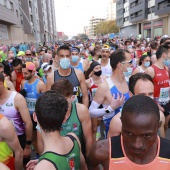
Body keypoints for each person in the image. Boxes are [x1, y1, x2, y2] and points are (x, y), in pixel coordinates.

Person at [87, 95, 170, 170]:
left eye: (147, 135)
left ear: (158, 126)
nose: (137, 145)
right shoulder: (101, 151)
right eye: (129, 134)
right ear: (122, 123)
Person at [26, 91, 87, 170]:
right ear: (64, 118)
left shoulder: (43, 167)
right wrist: (43, 162)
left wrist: (44, 164)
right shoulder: (73, 138)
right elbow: (83, 167)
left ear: (34, 117)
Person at [36, 79, 92, 158]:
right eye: (55, 98)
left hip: (77, 155)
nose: (58, 102)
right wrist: (45, 159)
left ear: (72, 98)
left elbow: (88, 138)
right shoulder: (47, 111)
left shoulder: (81, 111)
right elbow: (40, 140)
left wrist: (88, 158)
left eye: (63, 99)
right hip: (55, 157)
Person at [108, 73, 165, 138]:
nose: (147, 98)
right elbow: (111, 147)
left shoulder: (160, 116)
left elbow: (161, 143)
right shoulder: (118, 122)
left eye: (150, 94)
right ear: (131, 94)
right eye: (142, 95)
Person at [89, 49, 132, 135]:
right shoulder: (105, 86)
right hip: (112, 135)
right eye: (129, 62)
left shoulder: (128, 81)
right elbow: (91, 112)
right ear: (120, 65)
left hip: (130, 132)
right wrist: (110, 109)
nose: (132, 65)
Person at [0, 73, 33, 165]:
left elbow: (28, 123)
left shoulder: (17, 98)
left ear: (1, 84)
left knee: (24, 164)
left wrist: (27, 146)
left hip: (19, 138)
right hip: (3, 141)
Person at [21, 62, 46, 158]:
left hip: (37, 115)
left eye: (26, 73)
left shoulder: (40, 84)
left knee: (37, 138)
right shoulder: (24, 83)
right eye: (23, 73)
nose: (24, 75)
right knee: (31, 137)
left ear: (32, 72)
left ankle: (40, 155)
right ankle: (37, 154)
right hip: (26, 114)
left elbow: (45, 102)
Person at [146, 44, 170, 131]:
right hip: (156, 103)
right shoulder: (151, 70)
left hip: (167, 101)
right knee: (158, 129)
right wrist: (155, 104)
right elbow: (145, 90)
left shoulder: (166, 68)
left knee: (165, 126)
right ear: (164, 55)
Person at [85, 61, 107, 142]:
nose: (99, 70)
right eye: (96, 68)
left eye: (100, 68)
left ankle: (106, 140)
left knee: (105, 125)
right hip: (94, 106)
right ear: (92, 70)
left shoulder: (104, 78)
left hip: (105, 105)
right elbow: (85, 95)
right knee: (94, 128)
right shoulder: (88, 82)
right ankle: (95, 144)